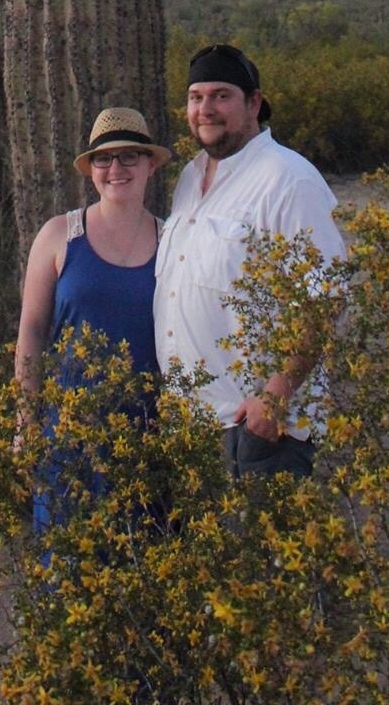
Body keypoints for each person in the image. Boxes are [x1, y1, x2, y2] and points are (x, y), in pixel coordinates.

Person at [155, 44, 347, 481]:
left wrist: (275, 397)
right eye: (196, 97)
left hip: (257, 430)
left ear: (254, 103)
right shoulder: (189, 177)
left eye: (221, 96)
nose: (206, 109)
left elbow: (325, 297)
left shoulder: (288, 179)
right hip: (191, 423)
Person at [15, 105, 170, 532]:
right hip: (68, 432)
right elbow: (32, 330)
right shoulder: (58, 235)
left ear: (151, 165)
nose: (116, 169)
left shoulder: (174, 240)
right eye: (103, 159)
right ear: (91, 170)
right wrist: (25, 423)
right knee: (68, 558)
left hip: (147, 435)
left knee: (145, 555)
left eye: (129, 156)